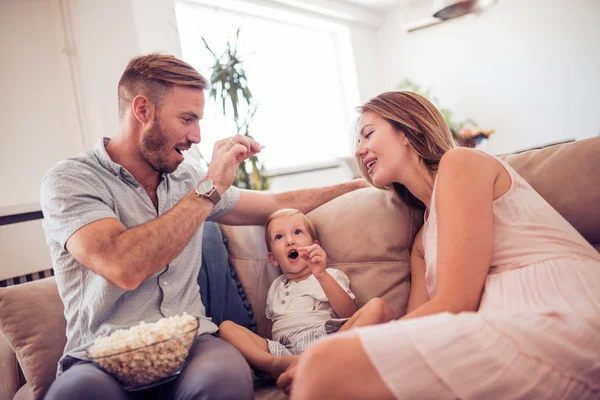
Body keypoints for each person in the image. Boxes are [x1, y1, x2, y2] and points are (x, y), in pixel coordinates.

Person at [40, 53, 368, 400]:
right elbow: (123, 265)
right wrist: (209, 187)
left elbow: (273, 205)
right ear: (142, 110)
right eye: (186, 119)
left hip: (192, 346)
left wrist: (356, 185)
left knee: (224, 380)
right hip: (99, 355)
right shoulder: (71, 180)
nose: (196, 136)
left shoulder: (186, 179)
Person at [277, 91, 600, 399]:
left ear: (408, 129)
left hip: (560, 309)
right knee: (329, 368)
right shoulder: (422, 241)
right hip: (487, 327)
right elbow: (422, 320)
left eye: (369, 134)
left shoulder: (463, 163)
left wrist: (333, 353)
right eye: (358, 141)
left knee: (324, 365)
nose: (360, 150)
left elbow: (455, 300)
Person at [219, 208, 393, 378]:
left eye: (297, 232)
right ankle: (274, 365)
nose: (290, 241)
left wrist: (321, 274)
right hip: (284, 352)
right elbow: (270, 330)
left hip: (327, 343)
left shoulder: (329, 275)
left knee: (378, 307)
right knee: (226, 328)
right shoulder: (275, 288)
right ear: (273, 258)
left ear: (314, 246)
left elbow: (349, 313)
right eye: (279, 237)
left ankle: (318, 365)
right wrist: (267, 348)